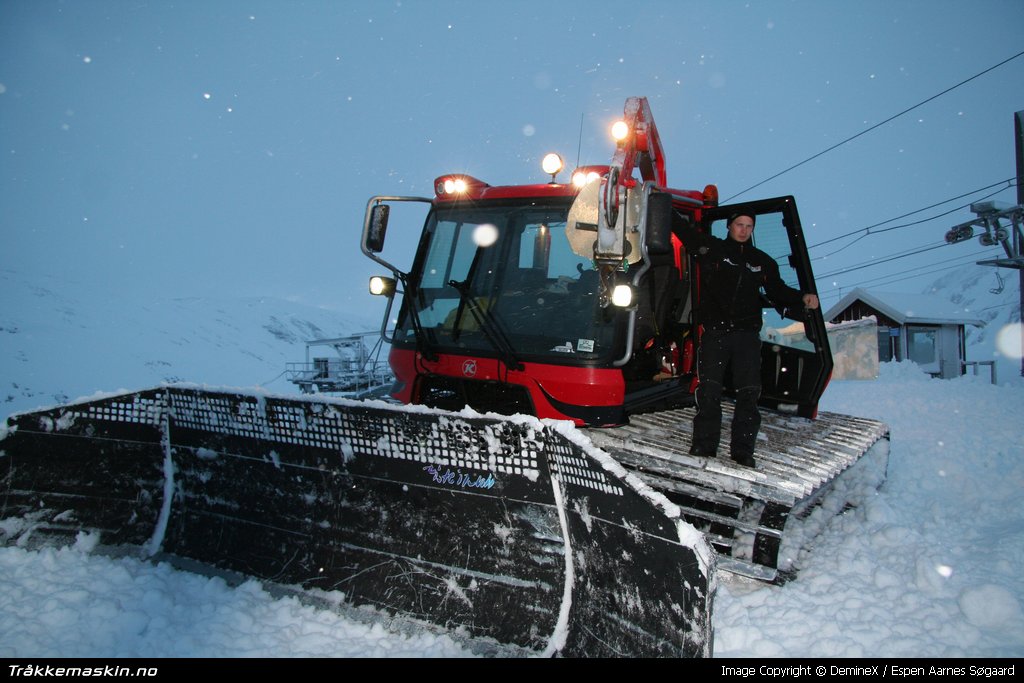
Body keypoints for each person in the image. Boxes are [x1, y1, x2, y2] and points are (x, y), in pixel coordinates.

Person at [678, 212, 819, 467]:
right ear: (729, 225)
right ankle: (704, 446)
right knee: (709, 391)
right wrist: (659, 201)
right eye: (739, 225)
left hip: (746, 336)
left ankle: (742, 452)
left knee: (748, 395)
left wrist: (802, 298)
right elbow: (684, 231)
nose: (743, 230)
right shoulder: (713, 250)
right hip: (716, 334)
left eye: (749, 226)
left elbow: (778, 291)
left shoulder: (761, 261)